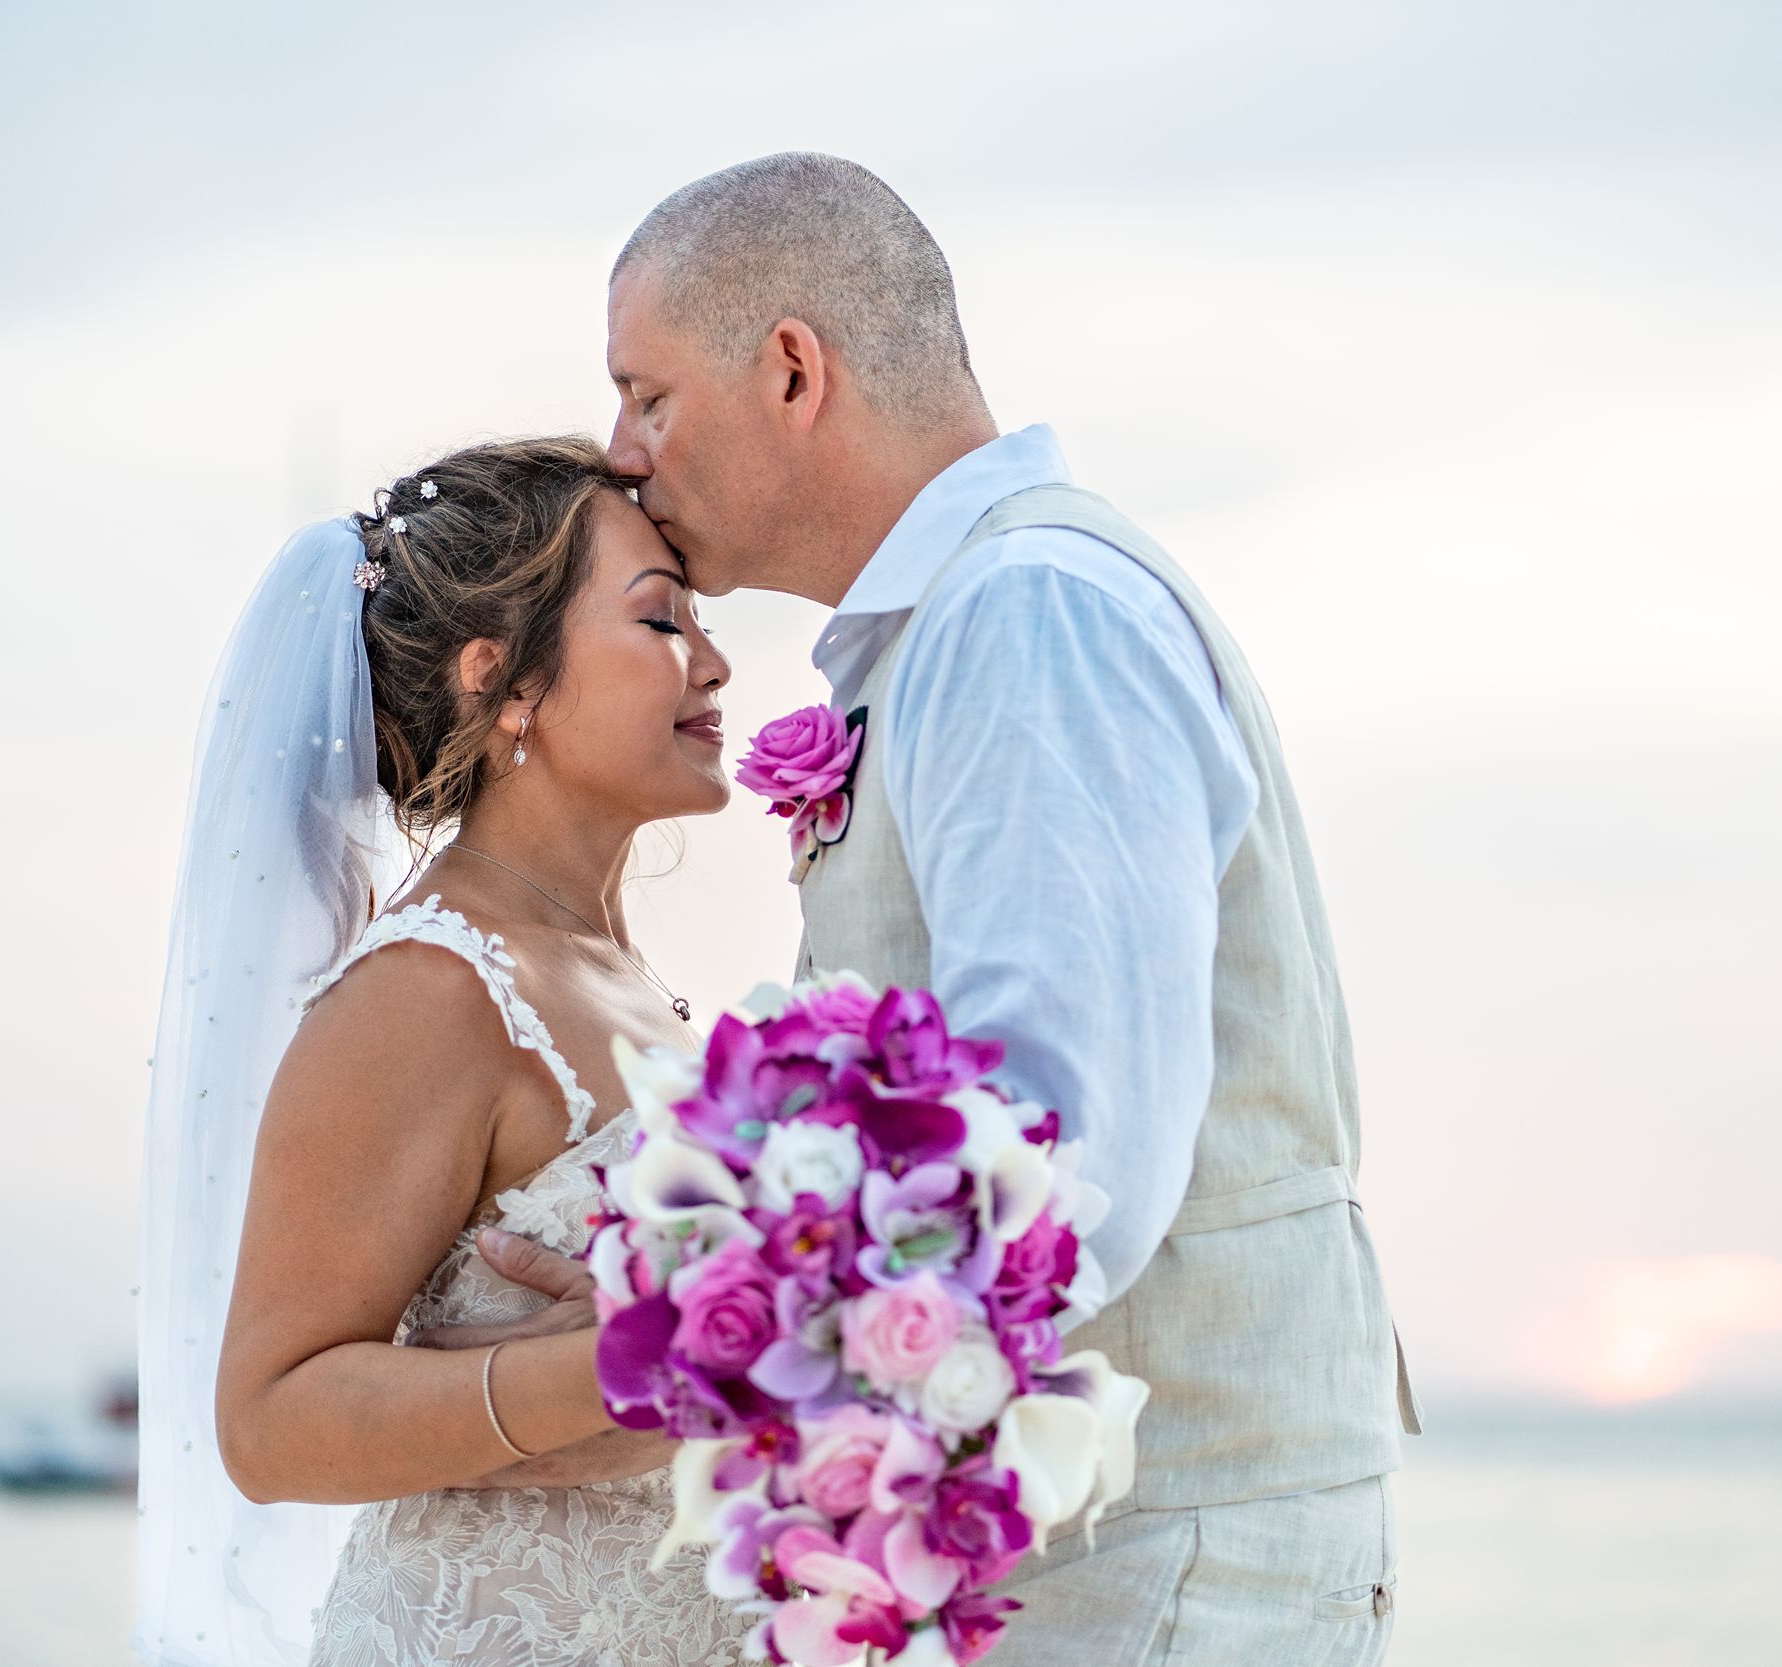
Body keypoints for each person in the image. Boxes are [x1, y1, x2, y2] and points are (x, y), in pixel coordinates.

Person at [576, 151, 1419, 1664]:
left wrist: (703, 1311)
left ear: (790, 371)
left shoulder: (1029, 613)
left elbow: (1057, 1146)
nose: (624, 452)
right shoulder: (979, 613)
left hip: (1159, 1551)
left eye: (648, 395)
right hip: (1104, 1547)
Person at [135, 438, 757, 1666]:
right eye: (660, 621)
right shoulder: (428, 989)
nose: (716, 661)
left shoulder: (624, 977)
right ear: (502, 678)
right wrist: (610, 1375)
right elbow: (267, 1420)